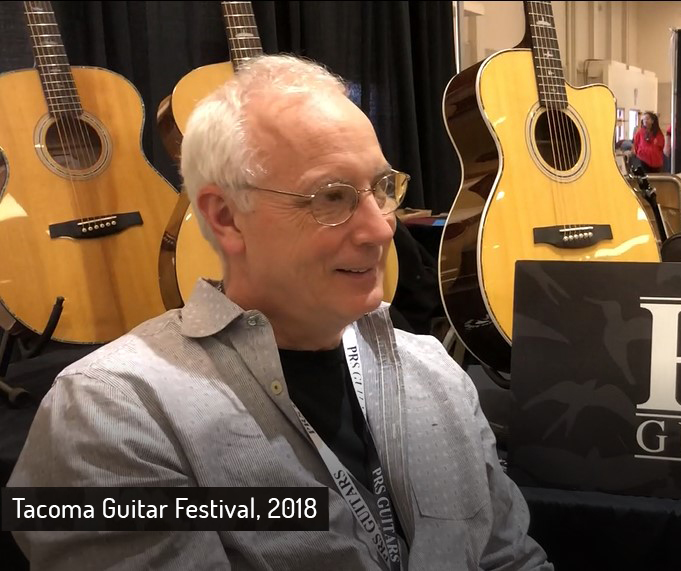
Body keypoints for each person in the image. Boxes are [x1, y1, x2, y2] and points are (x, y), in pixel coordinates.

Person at [7, 54, 552, 571]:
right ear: (225, 218)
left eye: (383, 189)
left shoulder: (431, 369)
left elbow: (510, 557)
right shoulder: (113, 413)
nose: (380, 228)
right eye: (332, 198)